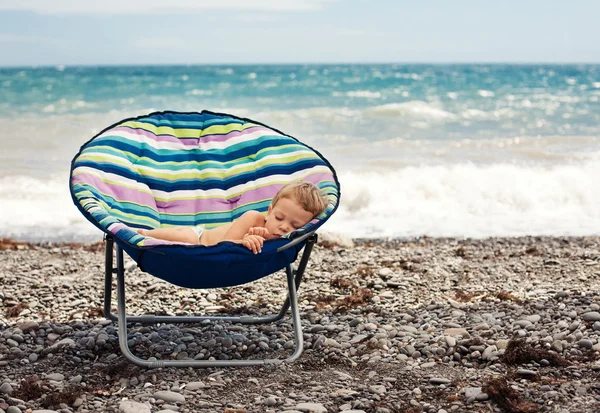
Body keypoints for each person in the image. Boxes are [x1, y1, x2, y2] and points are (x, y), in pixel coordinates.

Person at [136, 181, 328, 254]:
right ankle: (142, 232)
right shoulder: (253, 218)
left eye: (295, 225)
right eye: (278, 217)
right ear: (269, 211)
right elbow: (227, 244)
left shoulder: (284, 242)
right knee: (182, 236)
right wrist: (245, 241)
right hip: (200, 238)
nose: (284, 227)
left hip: (208, 251)